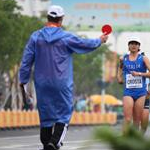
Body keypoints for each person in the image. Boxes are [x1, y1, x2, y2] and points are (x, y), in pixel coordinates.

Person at [19, 5, 108, 150]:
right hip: (62, 82)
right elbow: (85, 44)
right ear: (61, 20)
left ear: (47, 18)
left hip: (41, 83)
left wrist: (23, 82)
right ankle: (54, 143)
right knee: (64, 112)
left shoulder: (35, 37)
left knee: (46, 115)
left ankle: (46, 143)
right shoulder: (66, 37)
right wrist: (100, 40)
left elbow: (26, 62)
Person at [117, 37, 150, 134]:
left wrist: (139, 74)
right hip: (128, 92)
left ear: (139, 46)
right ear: (128, 46)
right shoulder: (123, 58)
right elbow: (120, 67)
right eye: (131, 43)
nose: (133, 45)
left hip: (141, 93)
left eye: (136, 43)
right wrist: (119, 77)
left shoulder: (143, 58)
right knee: (127, 119)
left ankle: (133, 143)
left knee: (136, 121)